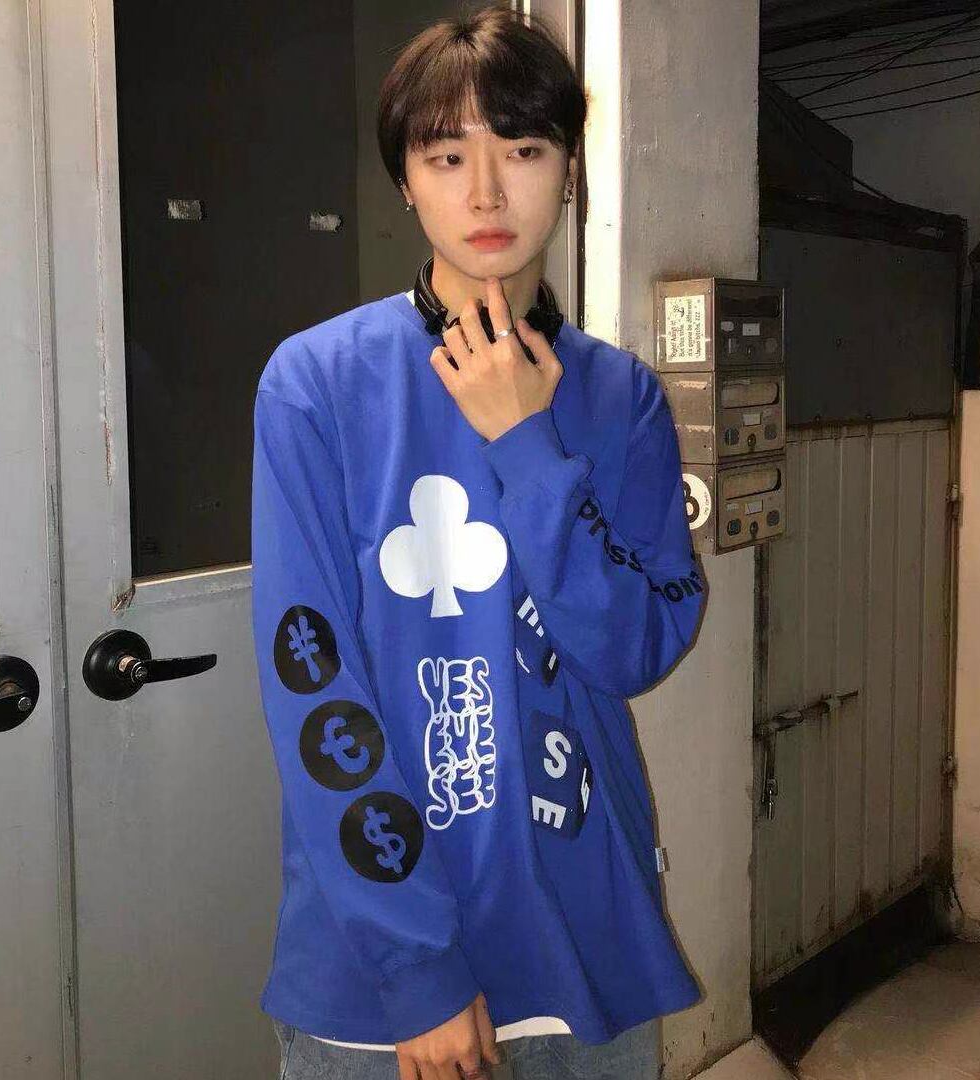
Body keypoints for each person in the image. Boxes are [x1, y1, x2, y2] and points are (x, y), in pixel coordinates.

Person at [250, 4, 708, 1078]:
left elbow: (635, 647)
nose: (488, 193)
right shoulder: (316, 385)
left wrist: (526, 446)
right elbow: (313, 687)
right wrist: (419, 967)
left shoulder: (622, 398)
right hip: (384, 968)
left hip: (587, 932)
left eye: (525, 150)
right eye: (448, 156)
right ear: (407, 183)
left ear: (569, 172)